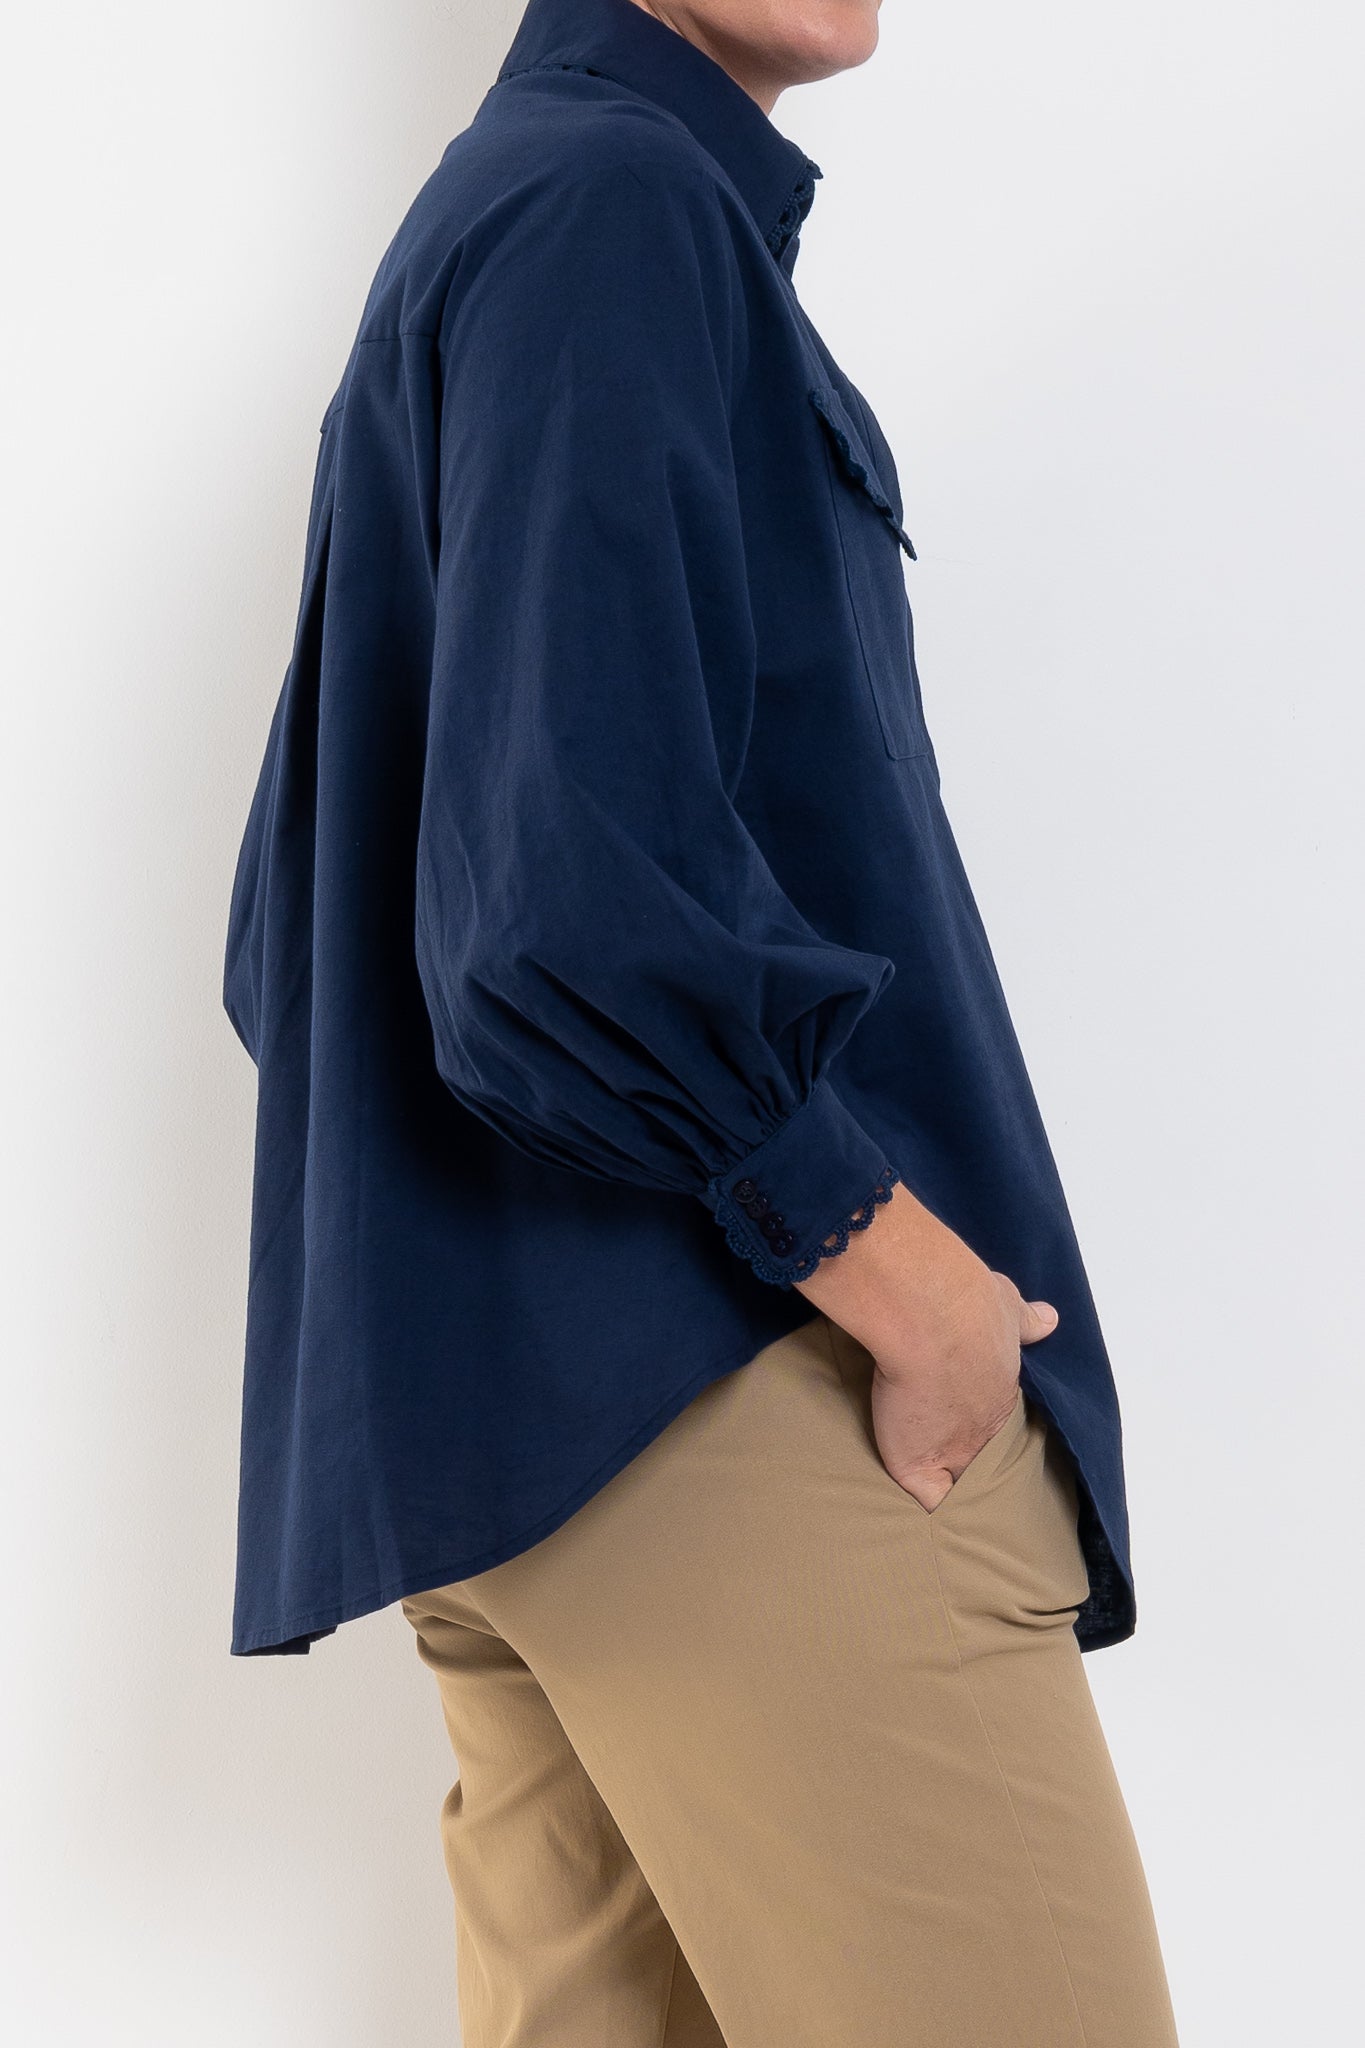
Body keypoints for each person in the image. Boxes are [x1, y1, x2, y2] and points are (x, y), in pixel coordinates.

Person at [222, 0, 1180, 2040]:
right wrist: (888, 1268)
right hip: (734, 1398)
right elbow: (555, 903)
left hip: (531, 1449)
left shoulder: (522, 211)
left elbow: (297, 931)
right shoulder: (612, 205)